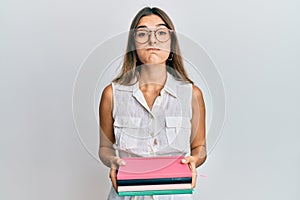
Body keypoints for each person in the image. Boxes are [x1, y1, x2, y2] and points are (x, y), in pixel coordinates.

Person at [99, 7, 207, 200]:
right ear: (133, 44)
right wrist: (112, 161)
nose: (152, 40)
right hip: (127, 194)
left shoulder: (192, 94)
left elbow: (199, 147)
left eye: (161, 32)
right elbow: (105, 148)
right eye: (142, 33)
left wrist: (194, 160)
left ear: (172, 43)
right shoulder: (111, 94)